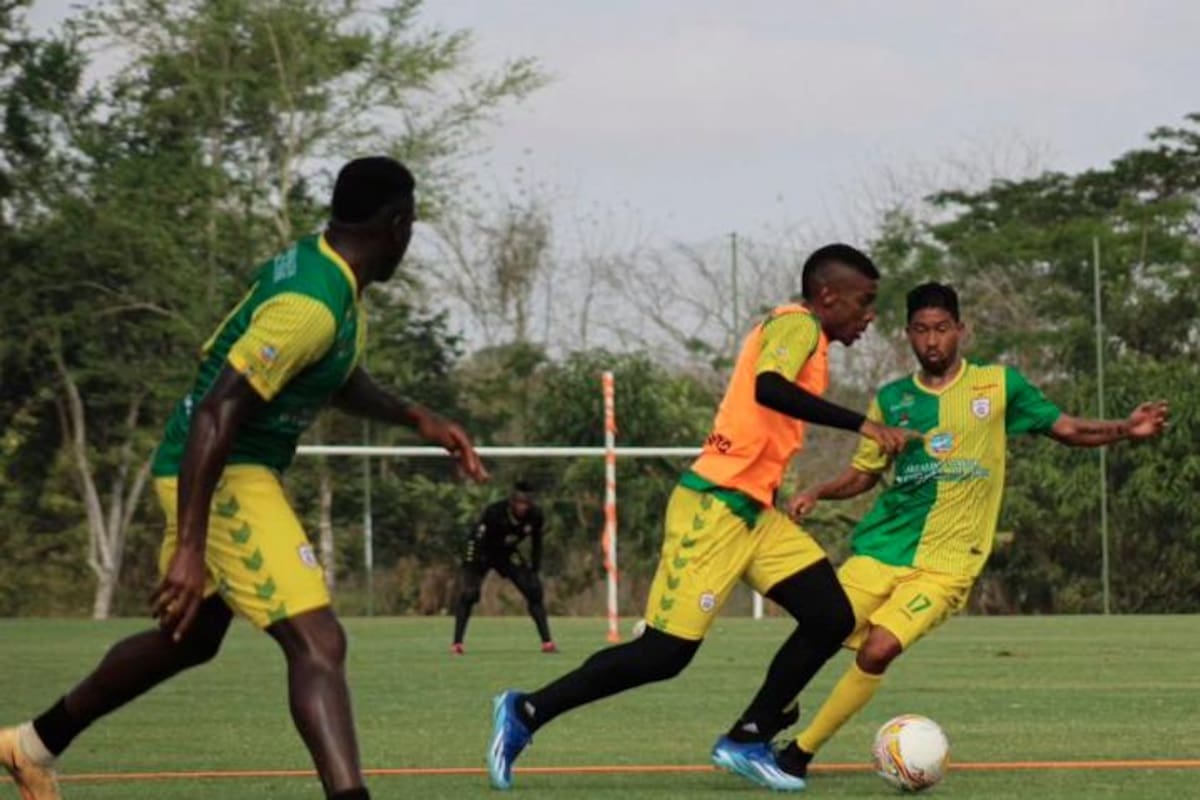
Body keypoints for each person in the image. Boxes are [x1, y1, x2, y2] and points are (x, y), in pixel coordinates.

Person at [0, 157, 488, 800]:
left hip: (225, 465)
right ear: (397, 224)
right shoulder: (312, 303)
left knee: (187, 642)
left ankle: (28, 746)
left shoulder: (327, 270)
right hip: (222, 471)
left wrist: (416, 416)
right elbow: (217, 412)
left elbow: (332, 373)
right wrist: (190, 549)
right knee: (319, 643)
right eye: (413, 223)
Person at [487, 243, 919, 792]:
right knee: (665, 655)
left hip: (753, 514)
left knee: (830, 617)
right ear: (827, 295)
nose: (869, 315)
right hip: (714, 507)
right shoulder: (798, 325)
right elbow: (769, 386)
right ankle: (526, 711)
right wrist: (864, 426)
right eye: (864, 302)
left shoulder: (812, 341)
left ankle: (748, 736)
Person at [768, 281, 1168, 783]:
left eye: (941, 329)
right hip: (883, 549)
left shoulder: (999, 387)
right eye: (920, 331)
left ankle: (797, 755)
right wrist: (820, 492)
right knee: (818, 631)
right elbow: (865, 475)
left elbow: (1065, 429)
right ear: (907, 335)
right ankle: (773, 714)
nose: (931, 341)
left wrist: (1125, 429)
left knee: (878, 649)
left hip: (949, 564)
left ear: (961, 330)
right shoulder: (891, 399)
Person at [452, 481, 556, 654]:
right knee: (470, 594)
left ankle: (547, 642)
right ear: (511, 502)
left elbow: (537, 544)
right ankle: (457, 643)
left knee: (533, 590)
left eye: (526, 503)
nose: (522, 507)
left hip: (506, 553)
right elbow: (476, 540)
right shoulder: (494, 512)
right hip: (481, 552)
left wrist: (534, 570)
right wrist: (470, 568)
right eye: (519, 503)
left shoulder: (536, 516)